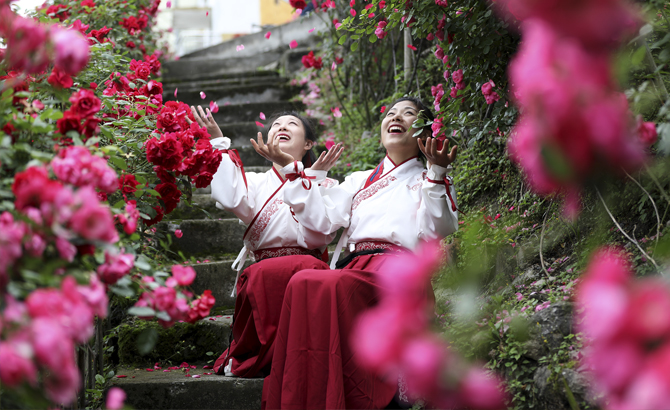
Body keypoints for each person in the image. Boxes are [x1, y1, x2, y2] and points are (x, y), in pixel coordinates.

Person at [256, 97, 459, 409]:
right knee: (302, 283)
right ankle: (303, 396)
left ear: (424, 133)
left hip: (397, 276)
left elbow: (439, 228)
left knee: (331, 284)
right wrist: (294, 174)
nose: (397, 117)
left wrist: (437, 173)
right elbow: (319, 224)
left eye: (409, 114)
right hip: (356, 270)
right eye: (391, 113)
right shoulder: (358, 180)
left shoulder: (429, 179)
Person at [188, 106, 344, 378]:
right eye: (276, 124)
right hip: (264, 272)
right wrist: (218, 140)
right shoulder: (255, 181)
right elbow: (230, 199)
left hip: (309, 270)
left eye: (292, 124)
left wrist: (303, 178)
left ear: (308, 143)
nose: (282, 127)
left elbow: (321, 231)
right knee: (262, 274)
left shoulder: (327, 184)